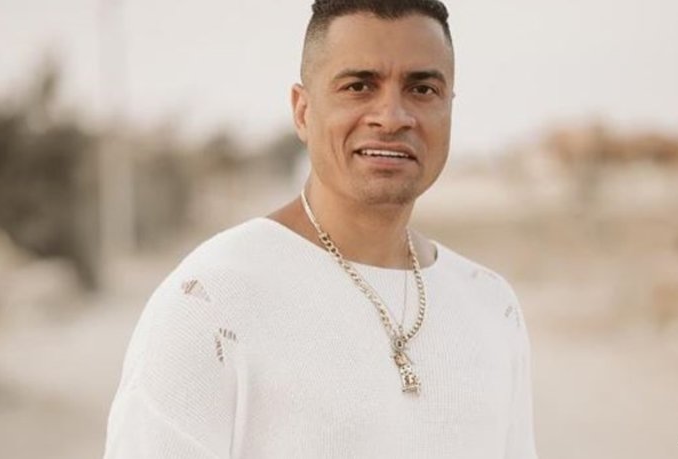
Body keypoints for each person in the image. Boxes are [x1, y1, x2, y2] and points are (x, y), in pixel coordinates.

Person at [103, 1, 538, 457]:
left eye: (422, 89)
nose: (392, 117)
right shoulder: (212, 301)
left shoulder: (491, 305)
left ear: (449, 108)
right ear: (302, 111)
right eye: (358, 86)